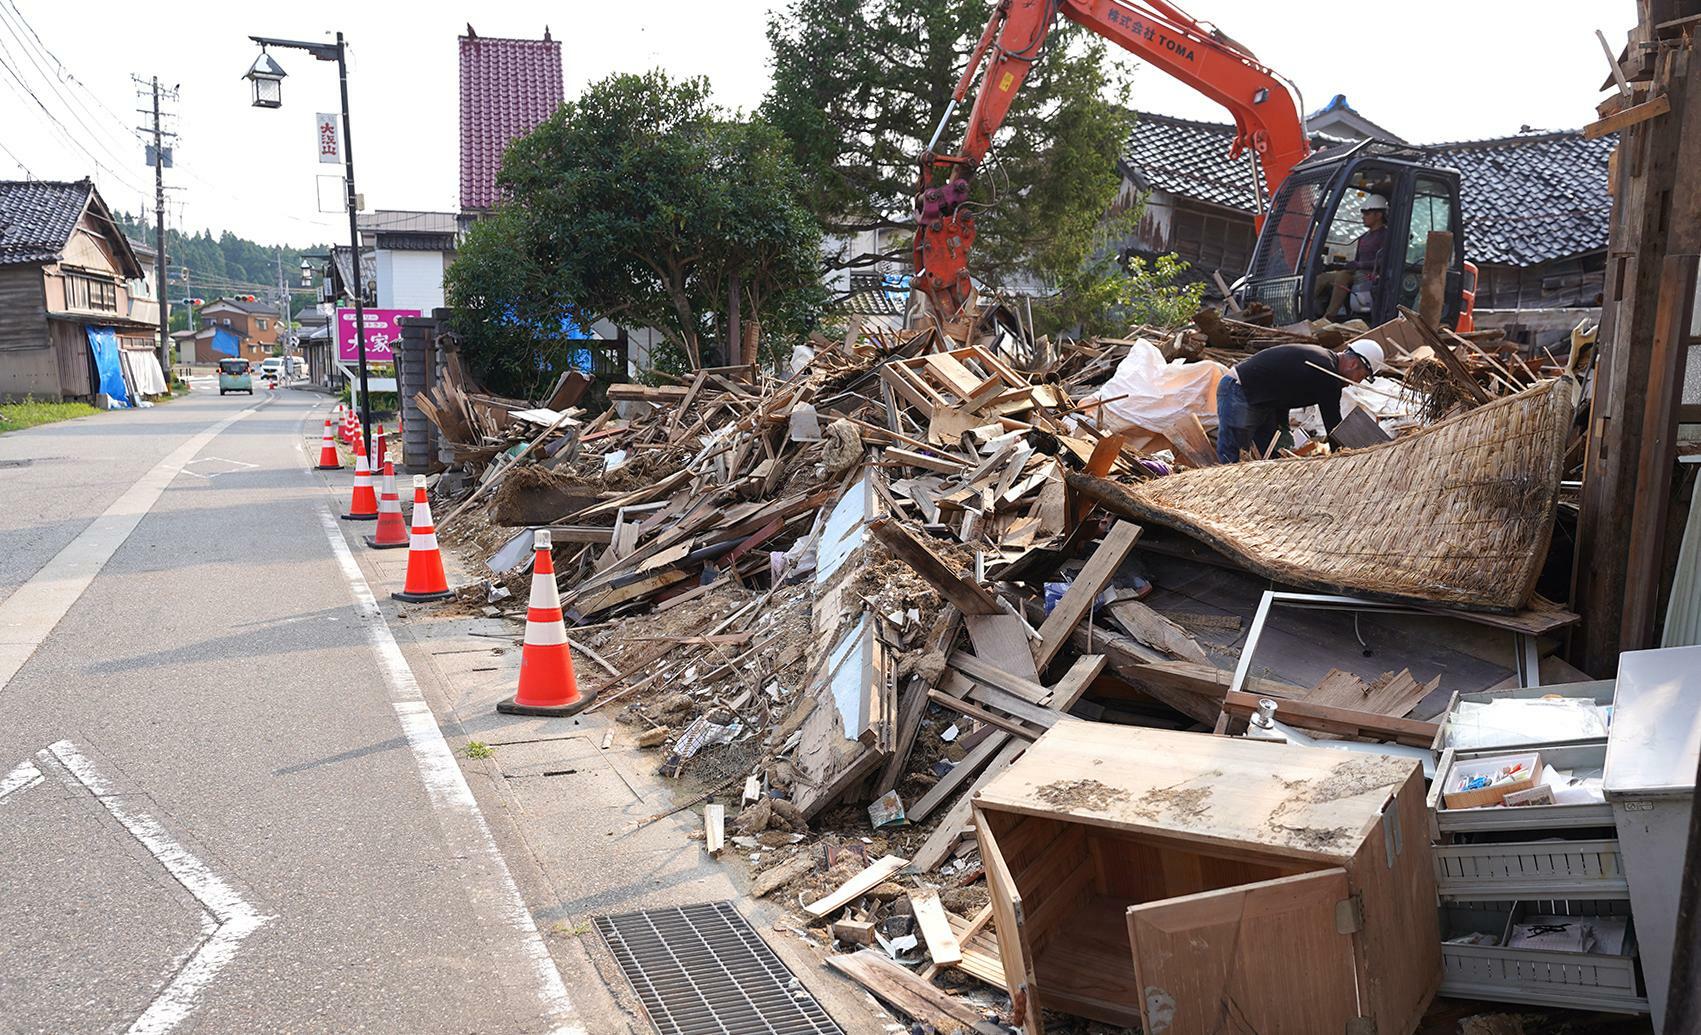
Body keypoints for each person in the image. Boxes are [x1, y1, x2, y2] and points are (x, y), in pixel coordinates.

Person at [1215, 341, 1386, 463]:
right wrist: (1344, 459)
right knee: (1233, 455)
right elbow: (1333, 423)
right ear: (1354, 364)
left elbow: (1283, 389)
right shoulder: (1327, 373)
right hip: (1239, 390)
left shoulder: (1324, 360)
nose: (1358, 382)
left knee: (1268, 456)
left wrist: (1282, 427)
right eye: (1362, 377)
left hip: (1261, 400)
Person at [1318, 194, 1389, 318]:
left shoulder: (1385, 235)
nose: (1363, 217)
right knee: (1322, 278)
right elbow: (1357, 259)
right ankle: (1306, 312)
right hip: (1358, 272)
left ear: (1379, 215)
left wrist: (1359, 265)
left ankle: (1329, 317)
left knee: (1342, 277)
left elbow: (1384, 261)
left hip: (1371, 275)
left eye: (1367, 213)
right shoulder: (1364, 238)